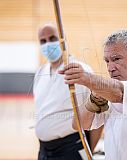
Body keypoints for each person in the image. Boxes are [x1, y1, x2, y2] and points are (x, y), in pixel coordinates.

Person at [59, 30, 127, 160]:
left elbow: (120, 93)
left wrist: (87, 79)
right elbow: (79, 124)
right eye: (107, 61)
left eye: (116, 59)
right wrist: (93, 99)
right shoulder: (112, 90)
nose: (110, 68)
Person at [33, 23, 103, 160]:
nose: (47, 44)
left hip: (71, 148)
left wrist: (87, 152)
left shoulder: (80, 70)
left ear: (63, 39)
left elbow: (98, 116)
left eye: (52, 38)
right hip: (44, 150)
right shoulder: (40, 72)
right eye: (43, 41)